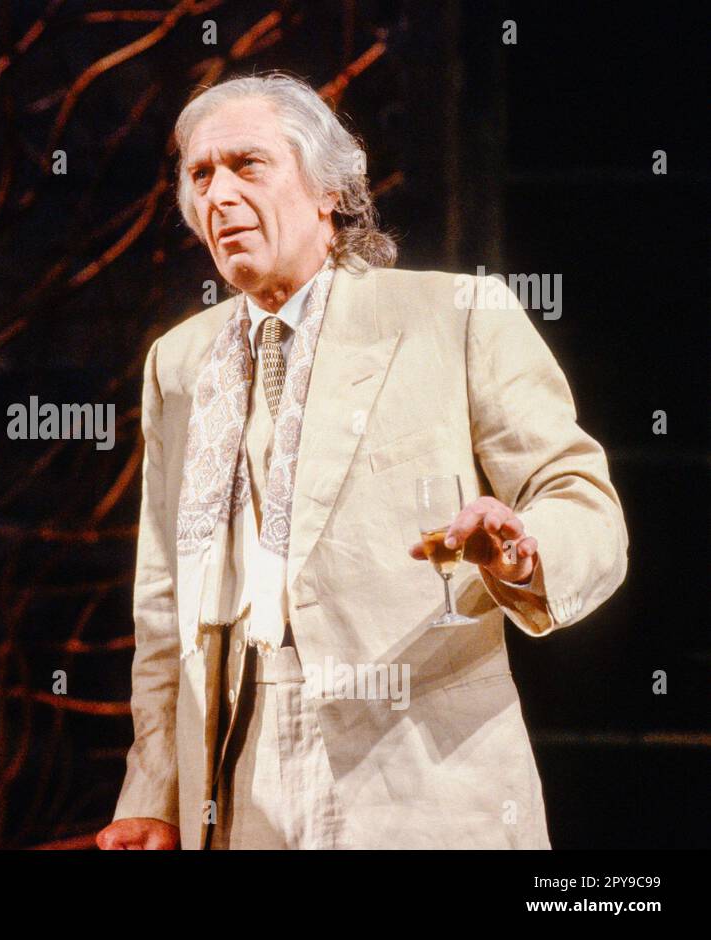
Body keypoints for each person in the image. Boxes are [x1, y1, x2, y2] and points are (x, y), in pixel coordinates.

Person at [96, 74, 627, 850]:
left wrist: (520, 546)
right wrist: (153, 794)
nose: (218, 192)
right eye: (200, 174)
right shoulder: (178, 362)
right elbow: (162, 598)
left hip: (420, 774)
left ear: (328, 191)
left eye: (248, 165)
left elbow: (581, 500)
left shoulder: (452, 317)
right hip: (237, 777)